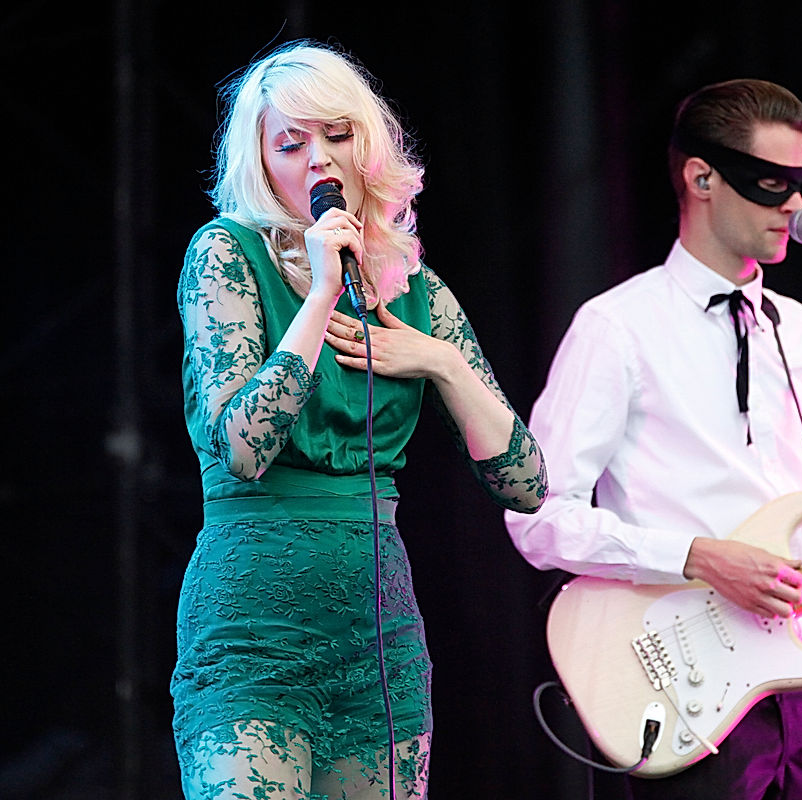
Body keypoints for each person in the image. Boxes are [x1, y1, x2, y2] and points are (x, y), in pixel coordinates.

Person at [505, 79, 802, 799]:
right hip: (674, 689)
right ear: (701, 177)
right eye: (771, 184)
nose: (795, 208)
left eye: (800, 184)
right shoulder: (617, 327)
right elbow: (536, 514)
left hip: (791, 689)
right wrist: (697, 557)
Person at [172, 40, 547, 800]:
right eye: (292, 143)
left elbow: (528, 482)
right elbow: (243, 444)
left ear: (368, 147)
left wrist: (440, 361)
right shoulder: (224, 255)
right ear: (262, 162)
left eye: (337, 136)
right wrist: (316, 296)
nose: (318, 159)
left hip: (377, 642)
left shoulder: (418, 289)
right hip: (252, 633)